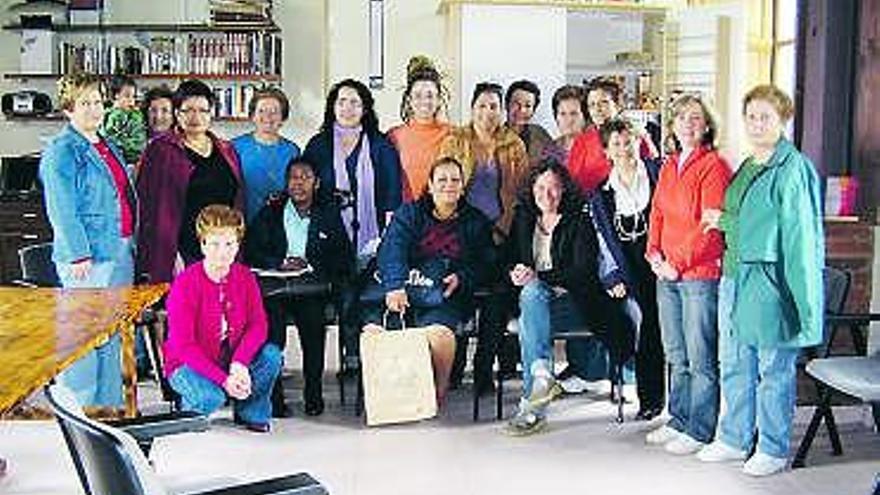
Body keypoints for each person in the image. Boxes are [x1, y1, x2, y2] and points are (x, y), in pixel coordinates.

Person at [697, 85, 824, 476]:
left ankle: (772, 447)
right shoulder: (749, 164)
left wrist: (805, 307)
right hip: (735, 276)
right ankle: (734, 438)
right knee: (733, 361)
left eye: (765, 116)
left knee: (774, 369)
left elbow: (798, 240)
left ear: (783, 119)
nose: (756, 124)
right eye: (750, 116)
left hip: (772, 282)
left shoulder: (793, 168)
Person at [503, 159, 634, 436]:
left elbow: (583, 270)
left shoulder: (579, 220)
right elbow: (508, 257)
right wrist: (514, 270)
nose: (546, 194)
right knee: (531, 296)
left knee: (532, 301)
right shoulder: (524, 218)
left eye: (554, 188)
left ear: (564, 191)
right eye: (541, 187)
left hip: (575, 303)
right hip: (535, 303)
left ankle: (533, 402)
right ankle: (541, 378)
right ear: (532, 188)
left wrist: (539, 277)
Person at [39, 72, 136, 407]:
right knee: (81, 338)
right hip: (88, 258)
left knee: (110, 335)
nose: (94, 109)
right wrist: (78, 254)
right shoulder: (62, 150)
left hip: (120, 250)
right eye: (85, 103)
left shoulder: (106, 144)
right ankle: (79, 410)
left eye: (97, 102)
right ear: (68, 108)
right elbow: (62, 208)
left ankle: (108, 407)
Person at [366, 157, 495, 405]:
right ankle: (386, 397)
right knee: (374, 332)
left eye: (455, 180)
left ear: (463, 185)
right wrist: (394, 285)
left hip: (443, 297)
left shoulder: (475, 221)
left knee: (439, 337)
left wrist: (462, 276)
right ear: (430, 185)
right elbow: (391, 249)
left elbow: (486, 262)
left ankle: (436, 391)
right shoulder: (409, 213)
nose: (449, 185)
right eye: (442, 180)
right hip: (402, 290)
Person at [645, 94, 731, 454]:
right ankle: (678, 419)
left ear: (707, 124)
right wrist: (653, 253)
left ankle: (699, 429)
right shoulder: (668, 165)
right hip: (665, 273)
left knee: (700, 357)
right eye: (681, 118)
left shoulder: (714, 165)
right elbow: (658, 214)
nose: (688, 124)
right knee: (676, 353)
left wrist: (676, 264)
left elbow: (710, 226)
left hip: (697, 275)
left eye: (696, 118)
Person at [302, 78, 402, 368]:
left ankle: (369, 355)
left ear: (365, 109)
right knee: (345, 292)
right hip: (330, 236)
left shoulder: (381, 146)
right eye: (342, 101)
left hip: (372, 237)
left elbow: (392, 194)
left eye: (355, 102)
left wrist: (387, 238)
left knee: (367, 292)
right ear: (333, 106)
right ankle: (351, 356)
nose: (347, 108)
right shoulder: (318, 145)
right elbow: (307, 190)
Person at [438, 82, 529, 392]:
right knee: (460, 292)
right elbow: (443, 185)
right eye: (482, 106)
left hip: (502, 234)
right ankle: (454, 365)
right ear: (472, 107)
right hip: (462, 233)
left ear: (501, 110)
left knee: (497, 298)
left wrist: (504, 228)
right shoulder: (455, 139)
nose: (488, 112)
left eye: (494, 106)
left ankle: (483, 368)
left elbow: (521, 191)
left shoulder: (513, 143)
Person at [245, 157, 354, 417]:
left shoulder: (328, 214)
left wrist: (310, 263)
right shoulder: (271, 212)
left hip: (311, 288)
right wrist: (280, 262)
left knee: (313, 327)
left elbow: (343, 257)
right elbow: (251, 251)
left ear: (316, 183)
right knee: (272, 334)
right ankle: (274, 398)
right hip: (275, 288)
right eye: (293, 177)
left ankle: (313, 393)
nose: (299, 183)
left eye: (305, 177)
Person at [165, 205, 281, 432]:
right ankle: (187, 409)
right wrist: (224, 380)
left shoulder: (245, 277)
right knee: (212, 398)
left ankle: (251, 412)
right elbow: (184, 346)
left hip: (230, 357)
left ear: (238, 245)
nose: (223, 252)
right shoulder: (185, 284)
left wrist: (239, 364)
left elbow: (258, 325)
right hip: (187, 363)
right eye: (215, 244)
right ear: (203, 244)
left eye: (230, 244)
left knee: (272, 356)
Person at [136, 79, 244, 284]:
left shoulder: (227, 150)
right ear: (177, 114)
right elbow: (148, 208)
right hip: (181, 252)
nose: (196, 117)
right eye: (188, 110)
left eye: (203, 110)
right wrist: (169, 253)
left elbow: (237, 202)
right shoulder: (161, 150)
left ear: (211, 114)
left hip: (221, 251)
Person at [595, 118, 664, 420]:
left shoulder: (659, 173)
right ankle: (650, 399)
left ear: (639, 142)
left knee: (664, 327)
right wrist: (612, 276)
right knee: (646, 324)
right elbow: (602, 242)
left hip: (662, 260)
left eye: (629, 141)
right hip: (629, 266)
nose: (624, 149)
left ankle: (670, 401)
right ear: (607, 151)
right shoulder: (601, 195)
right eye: (617, 144)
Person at [568, 77, 658, 193]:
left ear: (617, 105)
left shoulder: (635, 136)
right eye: (592, 105)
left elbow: (654, 170)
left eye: (604, 103)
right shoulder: (582, 141)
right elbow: (572, 181)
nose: (597, 109)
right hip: (592, 205)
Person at [232, 87, 301, 223]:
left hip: (282, 224)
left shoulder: (292, 150)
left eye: (274, 112)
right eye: (261, 111)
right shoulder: (235, 147)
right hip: (242, 224)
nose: (268, 117)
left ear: (283, 117)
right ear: (252, 116)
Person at [388, 56, 451, 202]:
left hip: (443, 218)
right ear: (409, 100)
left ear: (439, 100)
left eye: (430, 96)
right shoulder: (393, 136)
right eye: (418, 96)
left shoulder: (453, 134)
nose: (424, 102)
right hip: (406, 218)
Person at [505, 79, 554, 166]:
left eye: (528, 106)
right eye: (516, 104)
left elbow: (555, 163)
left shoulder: (540, 134)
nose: (522, 110)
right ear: (506, 105)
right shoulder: (493, 136)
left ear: (533, 110)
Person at [102, 74, 147, 165]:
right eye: (127, 96)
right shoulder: (109, 115)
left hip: (133, 159)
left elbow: (140, 140)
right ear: (116, 96)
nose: (131, 101)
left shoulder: (135, 115)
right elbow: (106, 136)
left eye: (133, 96)